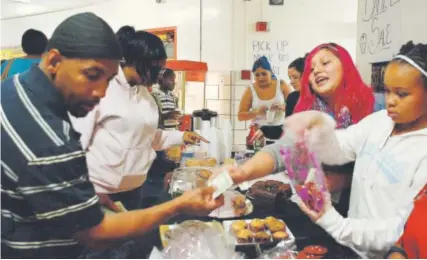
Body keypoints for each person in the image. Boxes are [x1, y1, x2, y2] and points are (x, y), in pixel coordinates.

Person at [1, 13, 223, 259]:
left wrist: (87, 191)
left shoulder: (13, 91)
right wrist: (178, 205)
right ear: (54, 61)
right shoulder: (49, 141)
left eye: (108, 79)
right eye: (92, 75)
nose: (101, 92)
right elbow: (95, 232)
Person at [221, 41, 427, 258]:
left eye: (401, 93)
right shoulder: (379, 122)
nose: (390, 101)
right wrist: (317, 131)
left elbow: (403, 230)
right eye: (386, 91)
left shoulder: (377, 112)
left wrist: (335, 220)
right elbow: (339, 146)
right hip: (346, 243)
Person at [70, 26, 206, 211]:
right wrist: (86, 190)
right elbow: (75, 143)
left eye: (160, 68)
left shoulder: (145, 96)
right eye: (153, 68)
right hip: (99, 191)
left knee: (131, 239)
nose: (158, 75)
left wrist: (181, 137)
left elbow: (147, 137)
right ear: (132, 61)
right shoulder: (100, 89)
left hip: (134, 189)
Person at [238, 56, 293, 142]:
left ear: (270, 72)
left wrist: (282, 107)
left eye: (264, 74)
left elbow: (295, 109)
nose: (260, 78)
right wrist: (257, 112)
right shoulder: (250, 90)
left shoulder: (281, 85)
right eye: (257, 75)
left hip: (280, 136)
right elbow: (240, 116)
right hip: (259, 137)